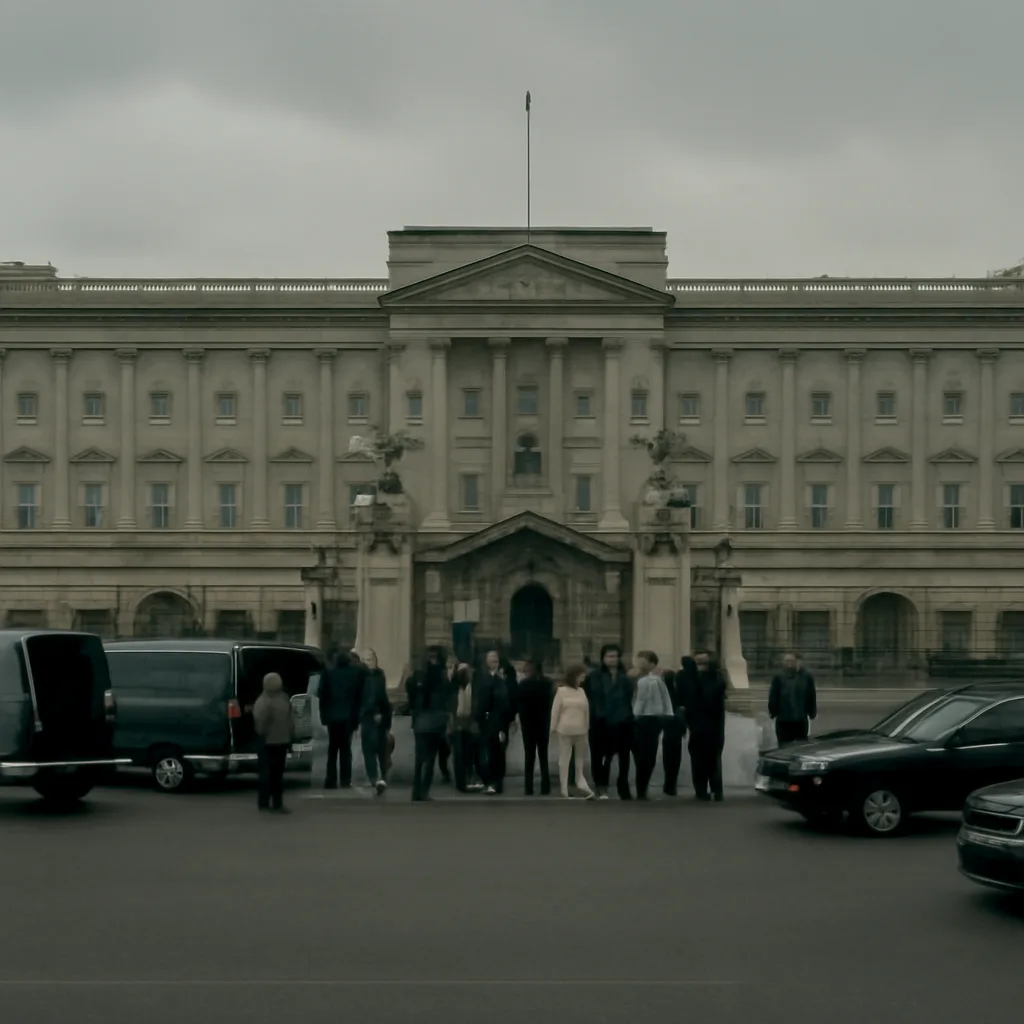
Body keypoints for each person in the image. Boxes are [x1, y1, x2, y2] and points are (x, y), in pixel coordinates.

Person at [583, 644, 635, 800]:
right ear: (603, 658)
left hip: (622, 722)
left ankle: (623, 786)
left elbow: (630, 698)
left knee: (624, 757)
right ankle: (600, 786)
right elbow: (588, 698)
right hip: (600, 722)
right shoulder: (594, 676)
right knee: (598, 756)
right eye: (609, 656)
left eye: (615, 656)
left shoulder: (625, 677)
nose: (613, 659)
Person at [680, 649, 728, 802]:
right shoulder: (691, 678)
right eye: (697, 662)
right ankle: (700, 790)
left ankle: (716, 790)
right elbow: (687, 697)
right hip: (696, 725)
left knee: (713, 759)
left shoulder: (716, 679)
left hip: (713, 726)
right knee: (697, 759)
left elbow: (709, 697)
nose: (700, 666)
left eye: (703, 663)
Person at [408, 646, 454, 802]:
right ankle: (424, 791)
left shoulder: (418, 675)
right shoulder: (442, 676)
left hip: (421, 721)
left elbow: (412, 695)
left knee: (419, 760)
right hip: (436, 721)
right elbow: (447, 697)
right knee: (430, 759)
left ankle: (416, 791)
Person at [317, 649, 365, 789]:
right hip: (348, 717)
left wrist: (324, 717)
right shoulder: (354, 674)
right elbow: (358, 697)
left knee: (332, 750)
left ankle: (330, 780)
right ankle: (345, 779)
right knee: (345, 749)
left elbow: (322, 695)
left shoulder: (328, 673)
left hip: (332, 717)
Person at [631, 651, 675, 800]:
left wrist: (666, 714)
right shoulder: (633, 677)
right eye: (638, 660)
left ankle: (642, 788)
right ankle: (640, 788)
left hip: (651, 719)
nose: (638, 663)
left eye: (642, 660)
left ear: (651, 663)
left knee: (649, 755)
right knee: (639, 755)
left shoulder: (657, 679)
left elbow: (663, 698)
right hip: (635, 720)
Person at [550, 664, 595, 799]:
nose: (583, 677)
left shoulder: (581, 691)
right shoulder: (561, 691)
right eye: (581, 674)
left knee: (579, 760)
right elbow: (555, 711)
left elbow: (586, 711)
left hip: (580, 729)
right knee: (565, 758)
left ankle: (581, 784)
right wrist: (552, 729)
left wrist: (587, 728)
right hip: (564, 729)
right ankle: (564, 788)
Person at [253, 672, 294, 813]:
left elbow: (260, 723)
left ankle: (266, 802)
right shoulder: (283, 699)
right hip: (278, 742)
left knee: (268, 774)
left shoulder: (263, 700)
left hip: (269, 742)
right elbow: (290, 721)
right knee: (276, 775)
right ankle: (275, 803)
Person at [474, 649, 510, 795]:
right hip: (486, 722)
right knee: (486, 753)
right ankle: (487, 780)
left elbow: (505, 704)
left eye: (495, 657)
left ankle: (496, 783)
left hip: (498, 722)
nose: (493, 660)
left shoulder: (501, 680)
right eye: (490, 658)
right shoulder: (482, 678)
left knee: (497, 754)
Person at [517, 656, 553, 795]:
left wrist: (522, 721)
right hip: (543, 723)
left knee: (529, 756)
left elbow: (520, 705)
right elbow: (550, 703)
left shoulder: (524, 684)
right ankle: (545, 786)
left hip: (528, 724)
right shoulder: (548, 683)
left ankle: (528, 787)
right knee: (543, 756)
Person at [359, 649, 392, 795]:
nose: (368, 663)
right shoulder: (364, 677)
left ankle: (379, 777)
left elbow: (382, 699)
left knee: (378, 748)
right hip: (368, 717)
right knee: (371, 749)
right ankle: (376, 777)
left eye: (370, 659)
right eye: (366, 660)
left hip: (375, 717)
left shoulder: (378, 677)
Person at [768, 651, 818, 746]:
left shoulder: (806, 676)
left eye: (791, 661)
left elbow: (811, 695)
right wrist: (773, 711)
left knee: (801, 745)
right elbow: (773, 695)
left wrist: (812, 712)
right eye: (786, 661)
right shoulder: (778, 677)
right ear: (783, 663)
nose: (789, 664)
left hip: (800, 719)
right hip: (783, 719)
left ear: (796, 662)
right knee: (784, 745)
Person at [450, 663, 482, 792]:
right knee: (458, 755)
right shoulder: (454, 688)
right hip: (457, 724)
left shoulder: (473, 688)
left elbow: (477, 705)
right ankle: (460, 782)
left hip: (470, 723)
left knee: (470, 754)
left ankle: (470, 779)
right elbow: (450, 707)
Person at [661, 659, 691, 797]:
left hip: (669, 728)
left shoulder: (665, 693)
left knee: (668, 758)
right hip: (676, 728)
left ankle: (669, 784)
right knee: (674, 758)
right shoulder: (679, 692)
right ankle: (671, 784)